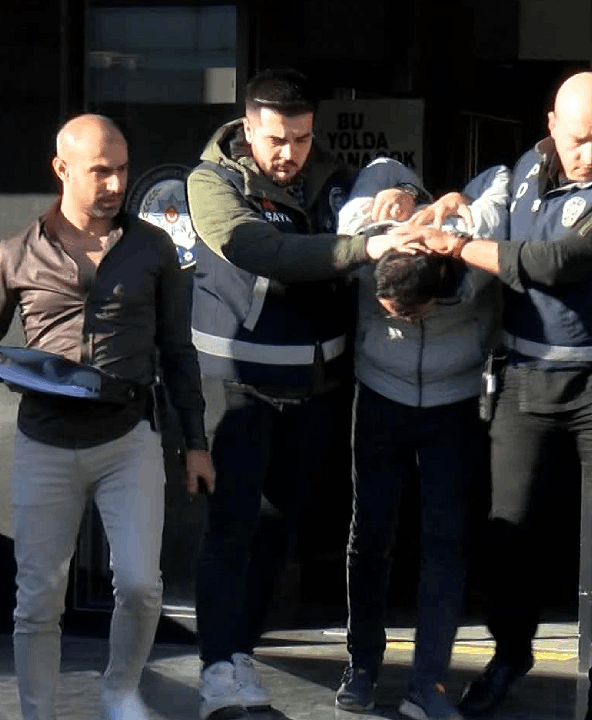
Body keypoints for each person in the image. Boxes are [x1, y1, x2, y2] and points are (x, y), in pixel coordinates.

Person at [390, 71, 592, 720]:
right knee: (507, 534)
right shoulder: (525, 169)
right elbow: (487, 204)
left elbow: (554, 265)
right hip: (524, 381)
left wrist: (457, 245)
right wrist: (451, 202)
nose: (588, 153)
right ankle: (510, 656)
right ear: (551, 126)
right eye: (577, 138)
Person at [0, 114, 214, 720]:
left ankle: (120, 690)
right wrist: (11, 366)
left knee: (142, 586)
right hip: (44, 445)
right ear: (62, 168)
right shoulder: (15, 254)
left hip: (128, 440)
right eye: (101, 171)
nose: (116, 183)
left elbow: (178, 351)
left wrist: (196, 444)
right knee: (38, 599)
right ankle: (37, 712)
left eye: (122, 169)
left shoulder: (152, 248)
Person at [185, 68, 421, 720]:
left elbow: (387, 191)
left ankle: (241, 656)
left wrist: (403, 198)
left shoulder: (332, 177)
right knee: (231, 531)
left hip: (314, 391)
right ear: (247, 127)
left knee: (275, 535)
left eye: (302, 137)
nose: (289, 152)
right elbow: (264, 250)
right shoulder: (211, 182)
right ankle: (217, 673)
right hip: (236, 386)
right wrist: (363, 246)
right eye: (275, 139)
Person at [333, 165, 509, 719]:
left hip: (453, 405)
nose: (404, 321)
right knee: (370, 535)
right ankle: (362, 665)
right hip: (379, 397)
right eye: (391, 311)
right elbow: (380, 169)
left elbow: (500, 180)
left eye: (414, 311)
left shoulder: (472, 247)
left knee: (445, 542)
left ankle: (428, 682)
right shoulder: (363, 229)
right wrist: (405, 193)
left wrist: (455, 209)